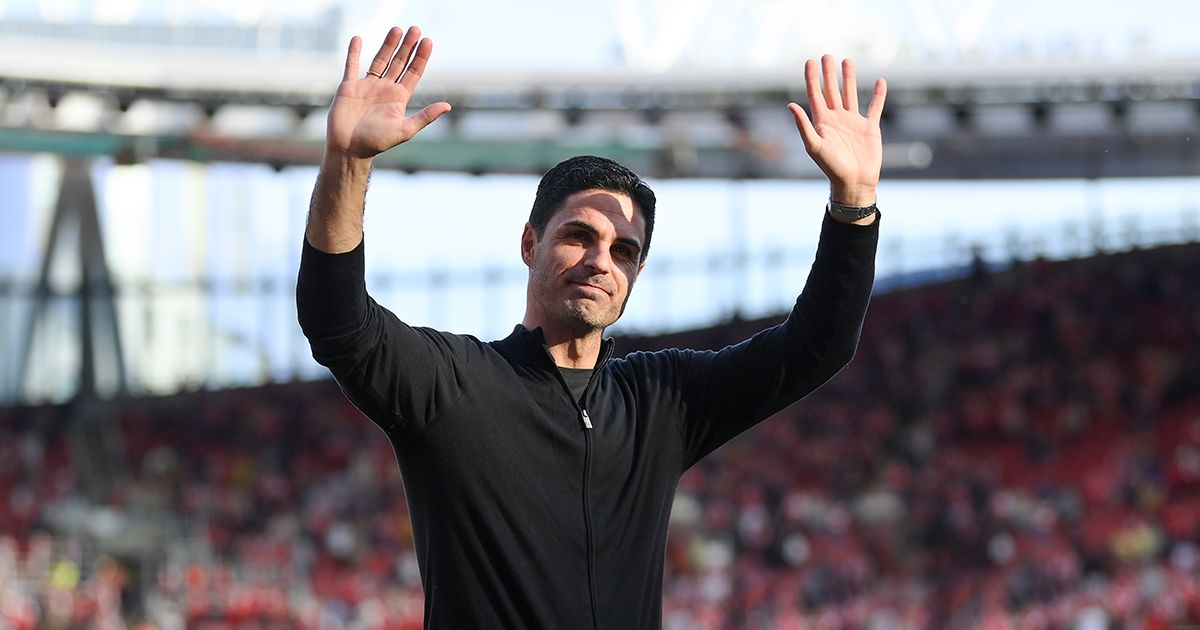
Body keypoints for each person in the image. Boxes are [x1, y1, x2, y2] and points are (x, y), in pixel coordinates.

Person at [297, 25, 886, 630]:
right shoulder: (451, 386)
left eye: (624, 250)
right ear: (531, 244)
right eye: (579, 236)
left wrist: (854, 198)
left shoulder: (663, 400)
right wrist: (347, 163)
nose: (600, 260)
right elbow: (338, 322)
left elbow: (820, 344)